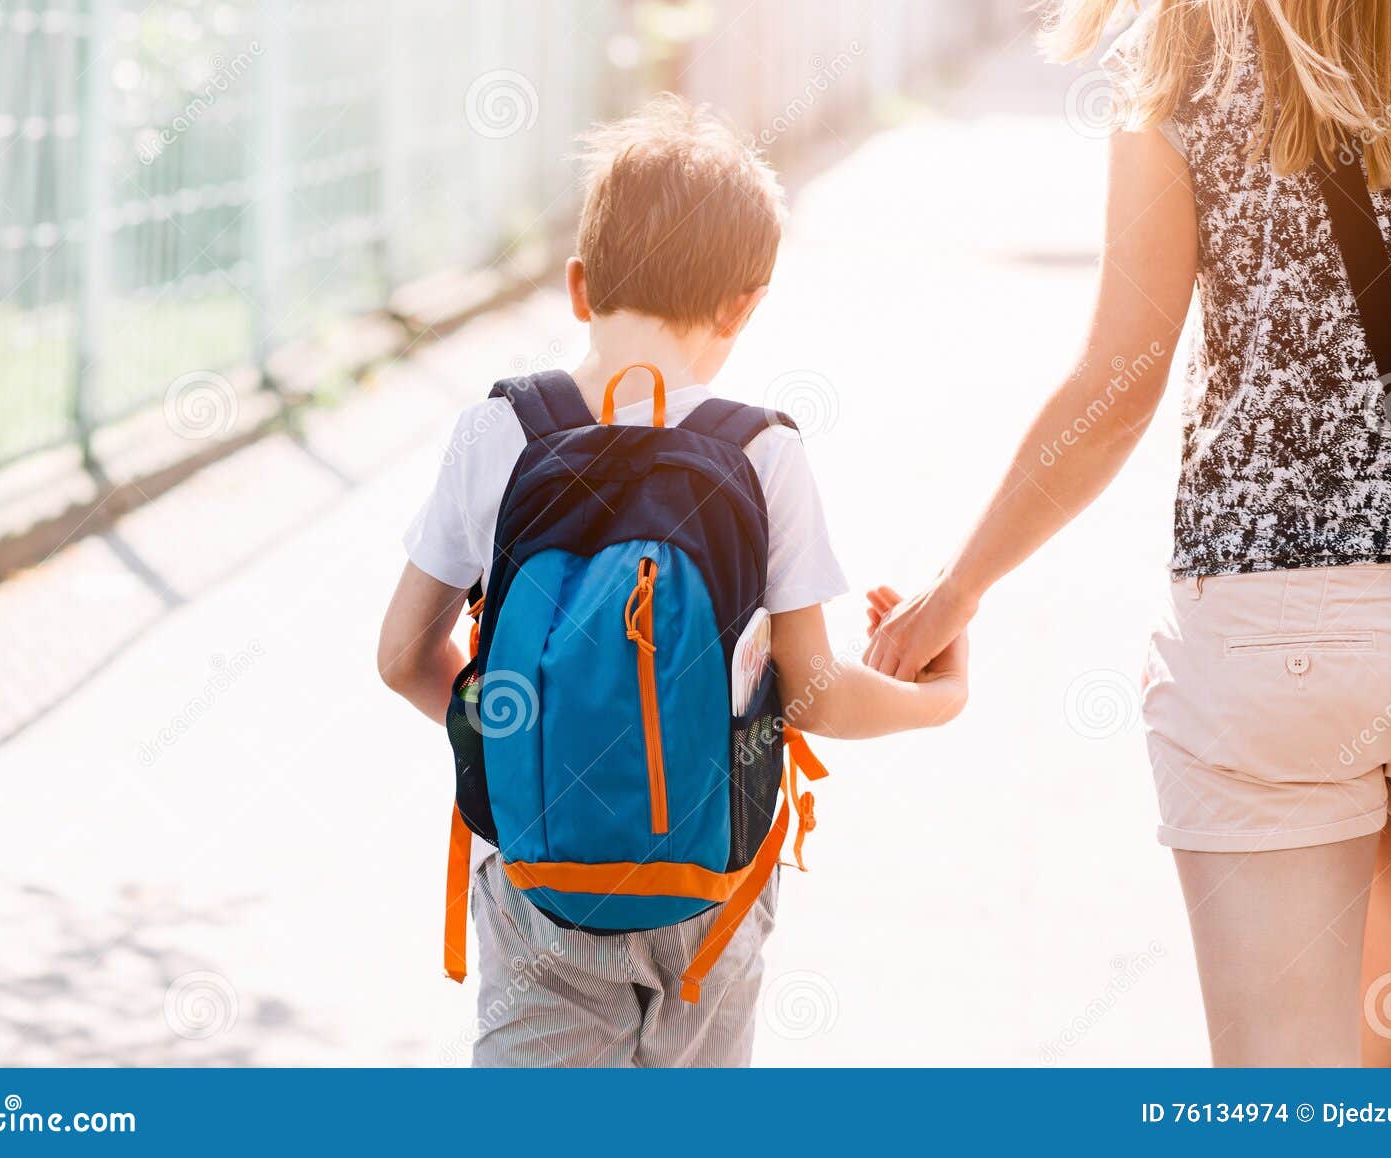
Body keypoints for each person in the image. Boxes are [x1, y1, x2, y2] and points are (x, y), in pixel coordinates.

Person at [868, 0, 1391, 1067]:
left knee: (1285, 1104)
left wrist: (958, 589)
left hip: (1266, 626)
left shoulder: (1187, 38)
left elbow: (1119, 383)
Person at [378, 96, 967, 1067]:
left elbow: (403, 658)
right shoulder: (762, 451)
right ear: (744, 302)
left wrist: (523, 761)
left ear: (578, 285)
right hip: (711, 876)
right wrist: (937, 699)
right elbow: (811, 693)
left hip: (536, 877)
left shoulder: (502, 429)